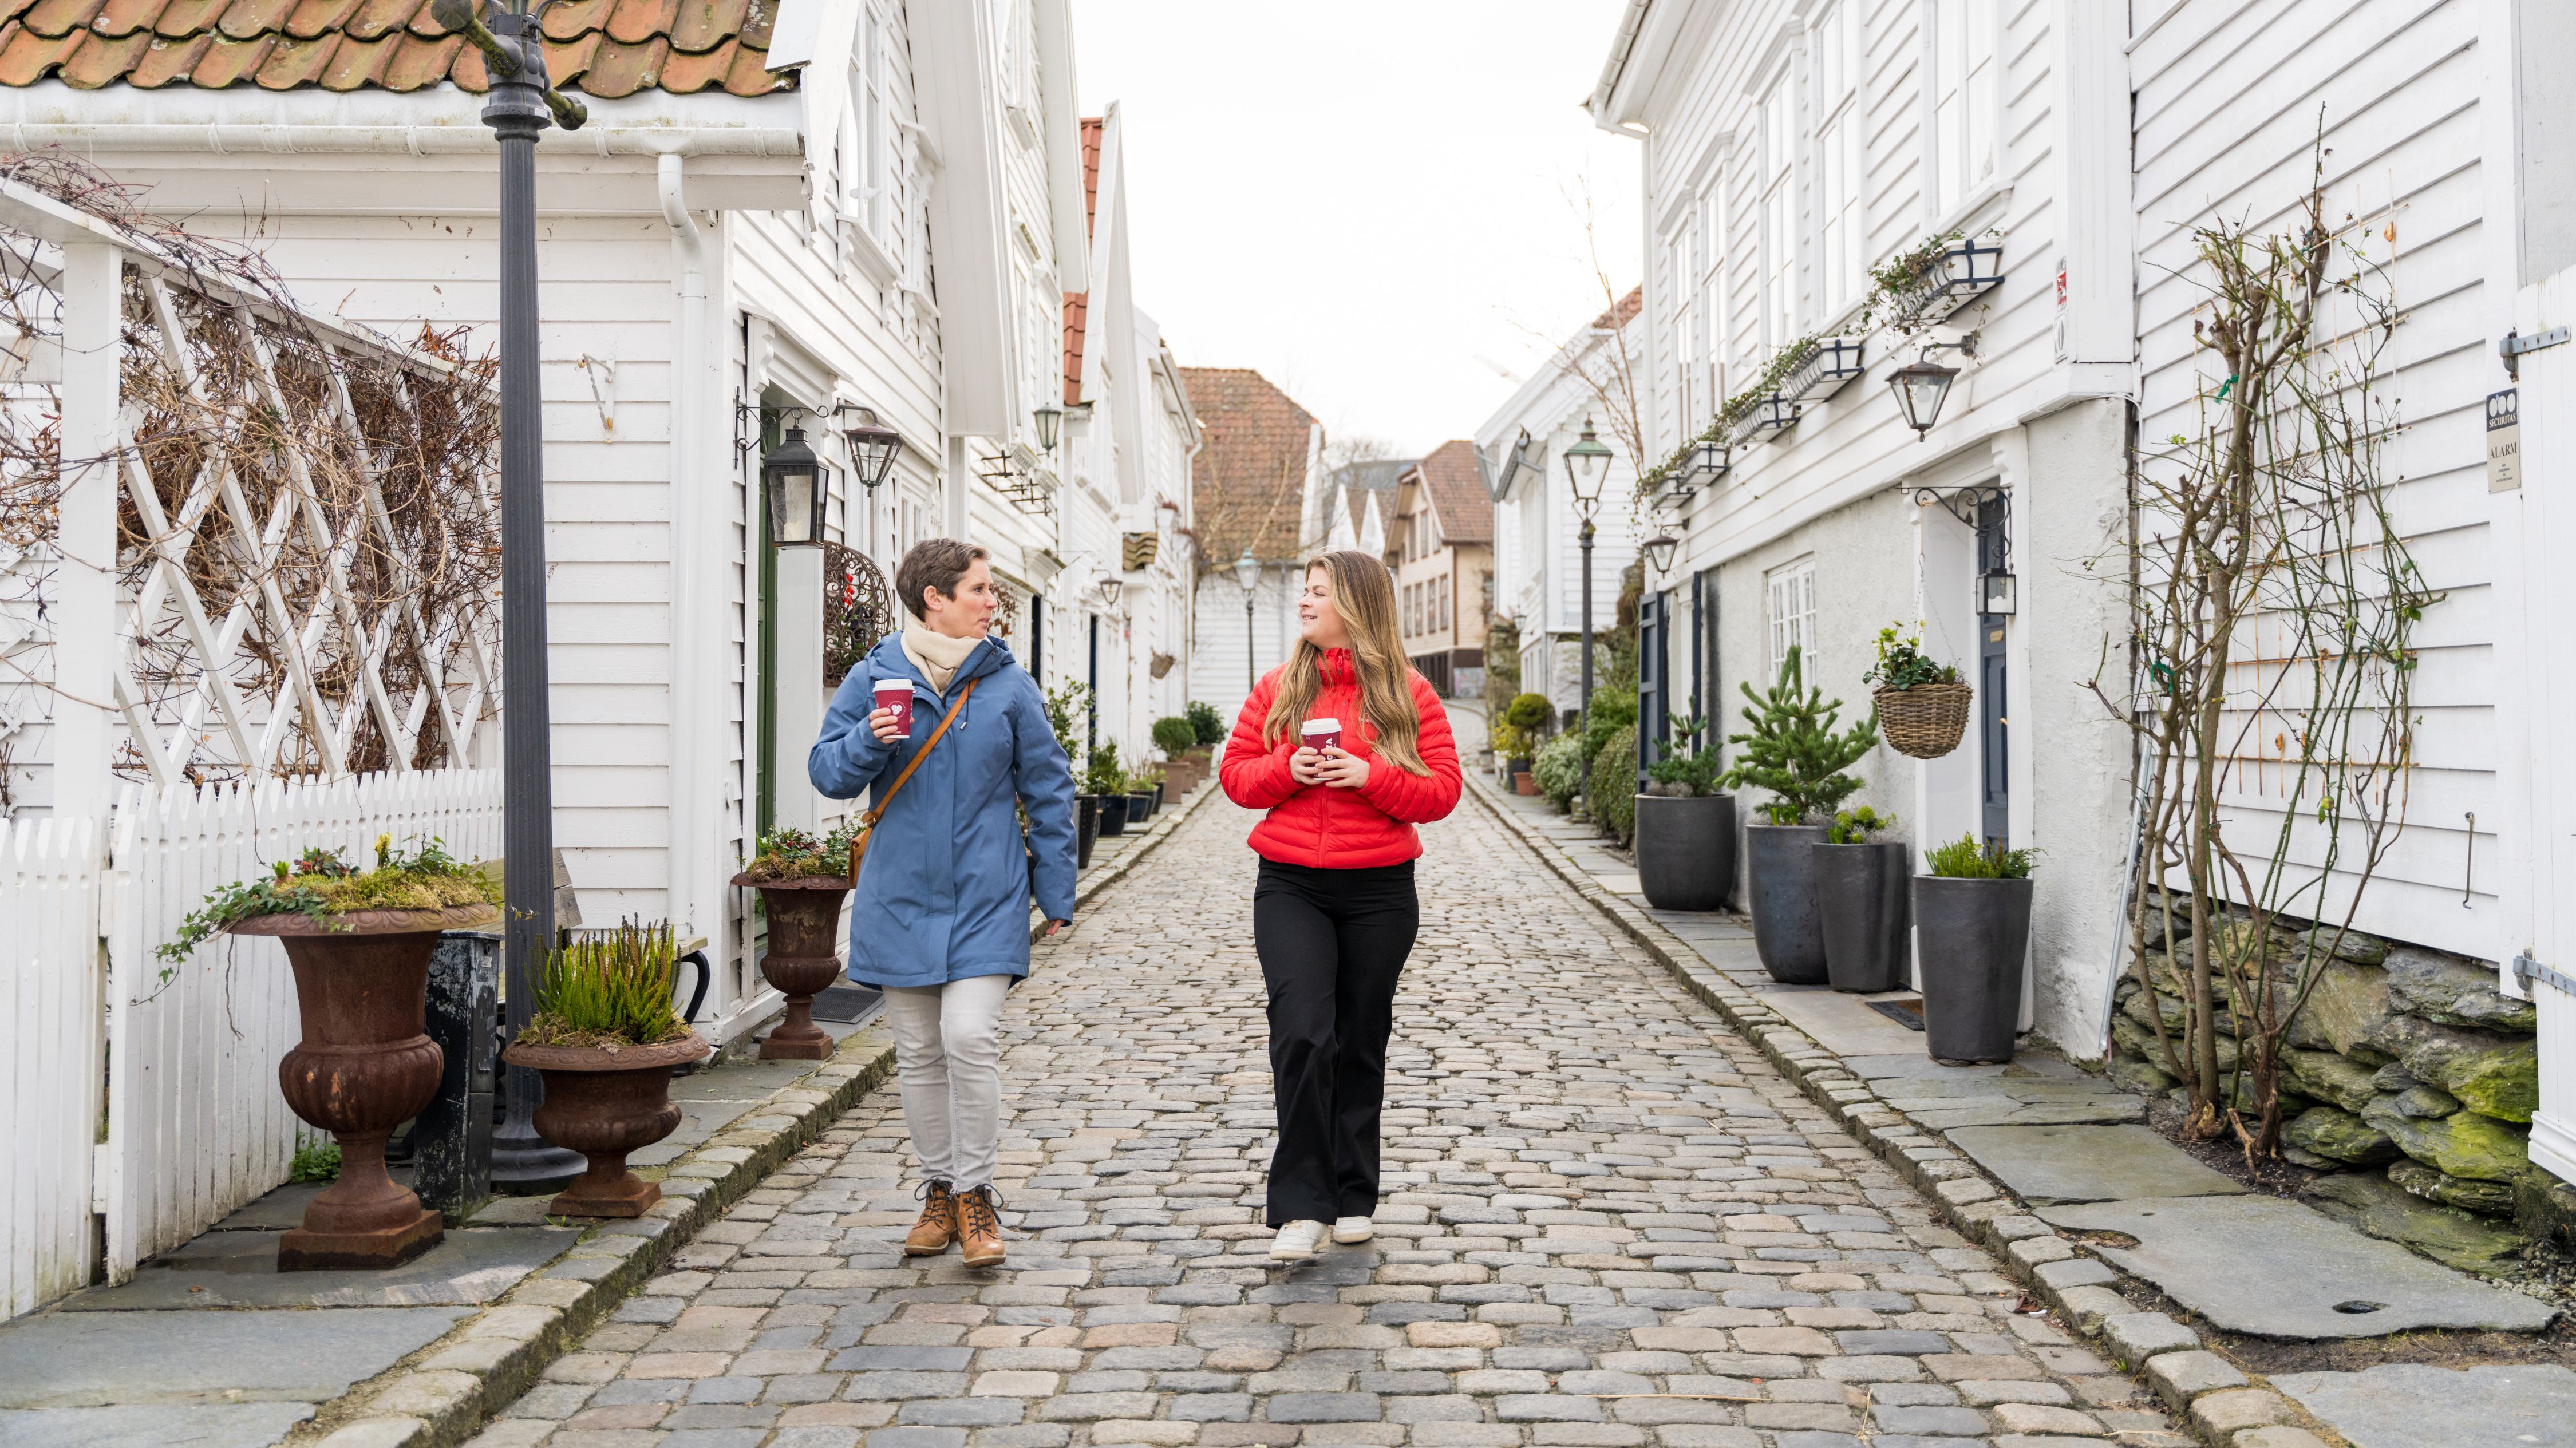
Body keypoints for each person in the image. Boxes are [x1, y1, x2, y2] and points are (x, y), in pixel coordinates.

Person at [809, 539, 1076, 1269]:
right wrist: (869, 738)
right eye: (980, 589)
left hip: (989, 895)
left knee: (967, 1037)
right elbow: (827, 772)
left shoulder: (1007, 684)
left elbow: (1049, 790)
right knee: (921, 1052)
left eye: (991, 591)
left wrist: (1055, 888)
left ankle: (977, 1192)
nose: (993, 601)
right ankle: (939, 1190)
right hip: (900, 897)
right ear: (935, 596)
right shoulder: (874, 678)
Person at [1219, 549, 1463, 1262]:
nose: (1304, 602)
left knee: (1359, 1039)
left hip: (1380, 892)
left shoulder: (1409, 694)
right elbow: (1235, 777)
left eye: (1318, 592)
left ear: (1355, 605)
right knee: (1302, 1031)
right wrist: (1285, 769)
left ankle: (1354, 1193)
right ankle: (1301, 1205)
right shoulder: (1279, 689)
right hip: (1290, 883)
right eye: (1305, 590)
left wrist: (1370, 774)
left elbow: (1442, 792)